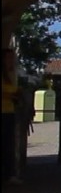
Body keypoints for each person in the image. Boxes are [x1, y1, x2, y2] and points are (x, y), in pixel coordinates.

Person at [2, 49, 22, 185]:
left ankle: (9, 174)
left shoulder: (11, 74)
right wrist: (12, 95)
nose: (11, 61)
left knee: (9, 144)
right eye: (8, 58)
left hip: (9, 111)